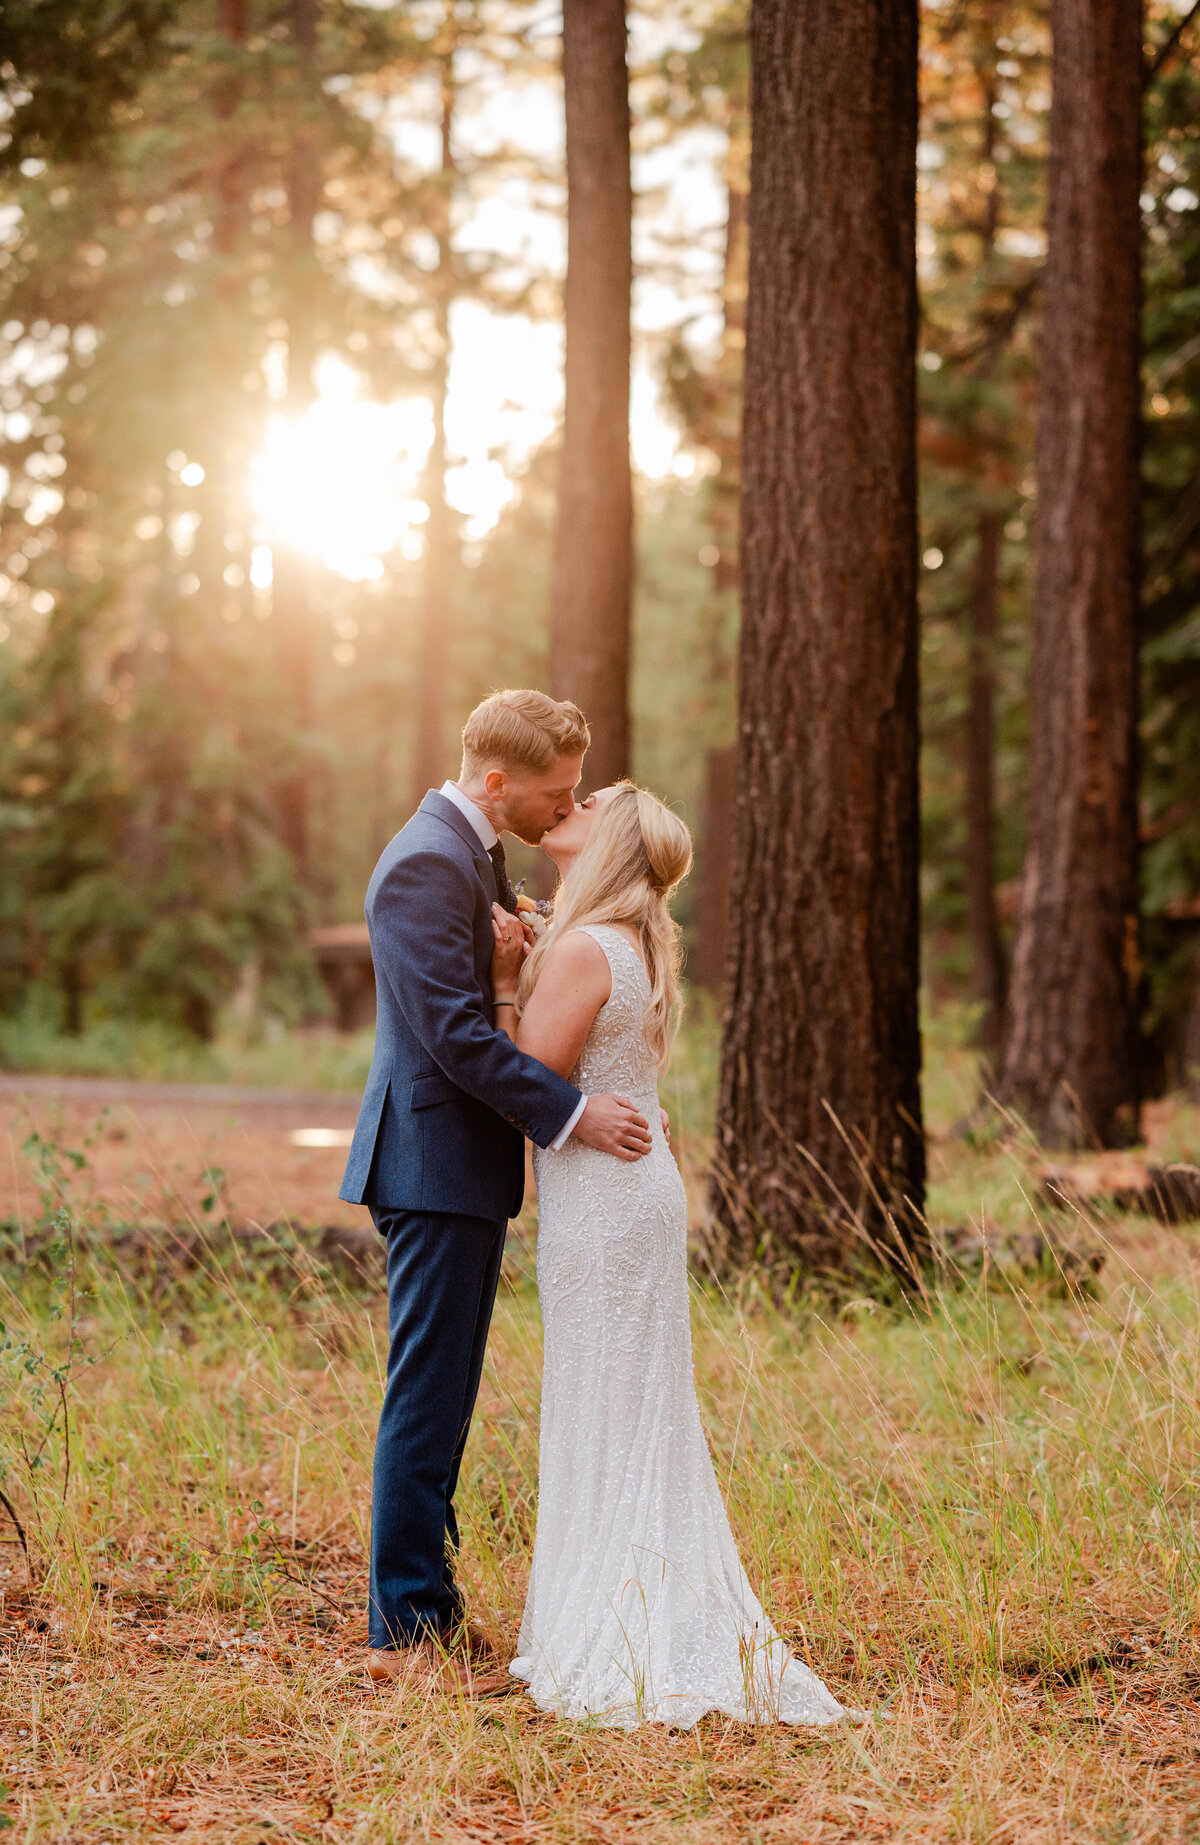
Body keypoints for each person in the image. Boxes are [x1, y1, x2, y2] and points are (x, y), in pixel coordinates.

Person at [489, 782, 857, 1728]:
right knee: (630, 1403)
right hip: (631, 1194)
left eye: (595, 797)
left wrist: (500, 979)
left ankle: (614, 1628)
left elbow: (520, 1076)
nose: (577, 796)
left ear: (609, 839)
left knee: (606, 1401)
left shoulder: (583, 946)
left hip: (605, 1205)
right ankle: (635, 1602)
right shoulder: (633, 941)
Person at [340, 691, 654, 1694]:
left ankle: (429, 1600)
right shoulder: (426, 862)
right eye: (554, 792)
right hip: (431, 1165)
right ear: (495, 782)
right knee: (427, 1393)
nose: (563, 805)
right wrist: (571, 1113)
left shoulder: (467, 853)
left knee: (445, 1388)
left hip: (455, 1166)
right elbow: (458, 1040)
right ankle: (407, 1624)